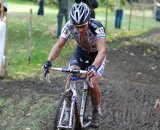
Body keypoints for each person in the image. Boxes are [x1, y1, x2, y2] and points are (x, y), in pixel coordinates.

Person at [42, 2, 107, 128]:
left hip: (96, 54)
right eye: (77, 27)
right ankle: (67, 113)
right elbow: (59, 45)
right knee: (71, 74)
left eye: (82, 26)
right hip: (81, 52)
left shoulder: (97, 26)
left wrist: (93, 67)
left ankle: (96, 111)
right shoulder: (69, 25)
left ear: (88, 20)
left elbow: (102, 51)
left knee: (92, 80)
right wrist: (49, 61)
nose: (80, 29)